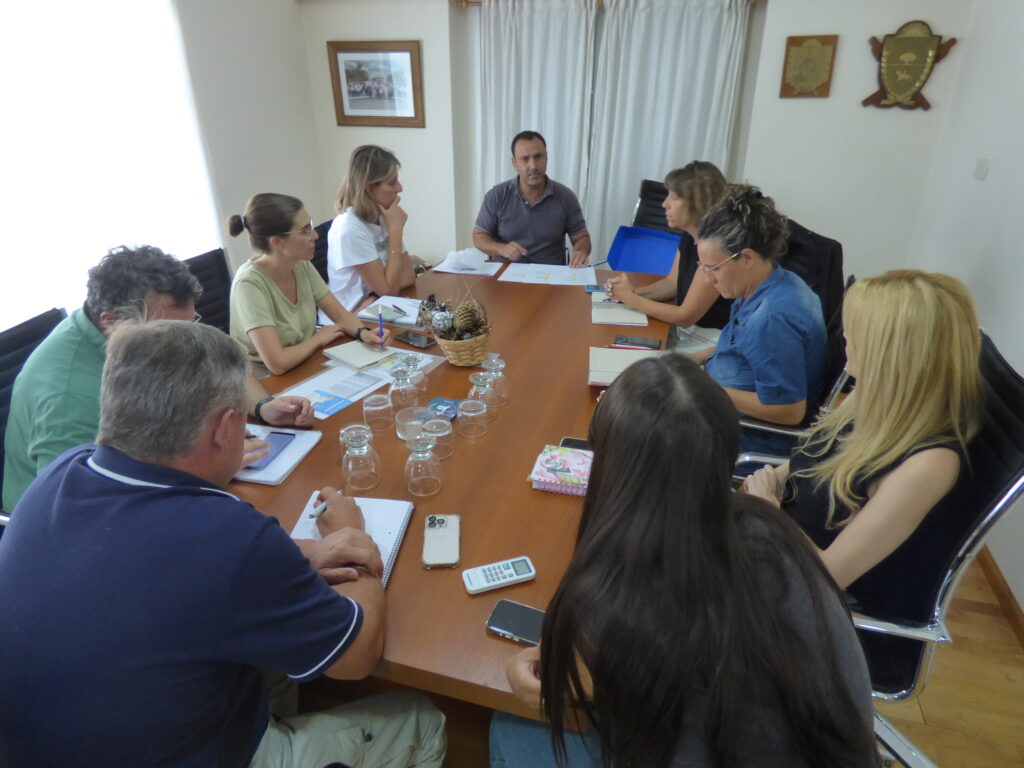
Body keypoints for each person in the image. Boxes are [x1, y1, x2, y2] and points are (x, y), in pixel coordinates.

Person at [0, 320, 446, 767]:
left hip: (46, 746)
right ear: (225, 428)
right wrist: (356, 540)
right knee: (422, 719)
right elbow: (356, 658)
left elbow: (156, 563)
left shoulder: (62, 471)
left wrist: (309, 553)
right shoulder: (229, 534)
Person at [491, 354, 878, 768]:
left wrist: (538, 669)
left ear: (608, 466)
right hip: (840, 752)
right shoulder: (768, 526)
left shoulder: (615, 596)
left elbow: (599, 688)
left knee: (507, 727)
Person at [744, 270, 984, 627]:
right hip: (769, 544)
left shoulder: (930, 464)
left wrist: (768, 509)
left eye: (855, 332)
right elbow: (809, 458)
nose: (844, 338)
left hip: (801, 599)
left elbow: (826, 576)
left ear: (890, 352)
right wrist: (767, 485)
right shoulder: (871, 394)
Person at [2, 245, 313, 511]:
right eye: (171, 331)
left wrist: (261, 406)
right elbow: (82, 510)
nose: (183, 340)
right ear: (111, 322)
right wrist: (208, 469)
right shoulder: (68, 397)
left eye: (190, 325)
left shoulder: (137, 332)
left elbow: (217, 362)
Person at [687, 184, 827, 454]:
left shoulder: (774, 319)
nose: (708, 278)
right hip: (719, 408)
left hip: (745, 438)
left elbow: (790, 410)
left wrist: (704, 388)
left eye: (713, 268)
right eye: (702, 267)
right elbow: (742, 346)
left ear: (747, 257)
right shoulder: (772, 282)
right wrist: (699, 357)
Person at [228, 192, 391, 376]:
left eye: (310, 226)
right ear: (277, 242)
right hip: (266, 379)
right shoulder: (249, 285)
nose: (315, 235)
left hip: (305, 361)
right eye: (305, 230)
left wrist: (364, 333)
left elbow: (339, 314)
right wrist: (318, 339)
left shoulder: (300, 264)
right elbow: (277, 363)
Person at [605, 161, 731, 328]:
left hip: (709, 335)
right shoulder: (689, 235)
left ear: (698, 203)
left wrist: (629, 298)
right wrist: (630, 293)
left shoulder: (716, 247)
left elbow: (685, 317)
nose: (665, 204)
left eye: (674, 198)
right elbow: (672, 284)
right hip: (690, 332)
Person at [473, 131, 591, 267]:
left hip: (550, 274)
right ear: (515, 163)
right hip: (505, 272)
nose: (533, 166)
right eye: (525, 159)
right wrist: (501, 249)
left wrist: (580, 252)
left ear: (546, 158)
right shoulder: (496, 196)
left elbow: (582, 238)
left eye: (538, 157)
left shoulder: (566, 197)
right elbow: (478, 236)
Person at [325, 144, 417, 312]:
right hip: (351, 317)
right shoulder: (349, 228)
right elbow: (389, 292)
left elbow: (408, 276)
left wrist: (379, 293)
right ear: (368, 188)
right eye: (391, 183)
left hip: (376, 306)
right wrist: (396, 232)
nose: (400, 188)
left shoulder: (383, 216)